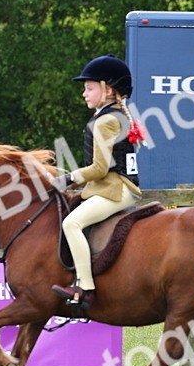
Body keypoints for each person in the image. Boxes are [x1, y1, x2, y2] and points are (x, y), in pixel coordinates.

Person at [52, 54, 144, 310]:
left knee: (71, 223)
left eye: (89, 88)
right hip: (113, 186)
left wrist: (68, 178)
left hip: (116, 189)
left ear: (108, 90)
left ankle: (85, 287)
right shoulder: (114, 115)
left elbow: (100, 168)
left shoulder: (105, 121)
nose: (84, 93)